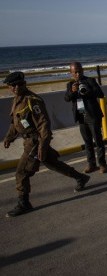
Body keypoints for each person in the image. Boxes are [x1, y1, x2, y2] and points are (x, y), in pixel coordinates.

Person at [3, 72, 90, 217]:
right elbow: (15, 123)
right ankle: (80, 177)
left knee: (22, 172)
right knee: (52, 163)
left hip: (36, 141)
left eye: (18, 84)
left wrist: (42, 147)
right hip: (29, 140)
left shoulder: (32, 101)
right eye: (12, 85)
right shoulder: (17, 100)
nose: (16, 88)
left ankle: (24, 202)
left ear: (24, 84)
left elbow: (44, 125)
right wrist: (9, 138)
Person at [65, 62, 107, 174]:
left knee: (98, 141)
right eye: (75, 72)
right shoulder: (70, 85)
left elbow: (101, 94)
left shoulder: (90, 81)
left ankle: (102, 164)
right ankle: (91, 164)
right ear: (71, 73)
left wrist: (88, 90)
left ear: (82, 70)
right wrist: (72, 91)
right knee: (87, 142)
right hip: (81, 116)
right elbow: (67, 98)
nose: (78, 74)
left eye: (79, 71)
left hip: (93, 115)